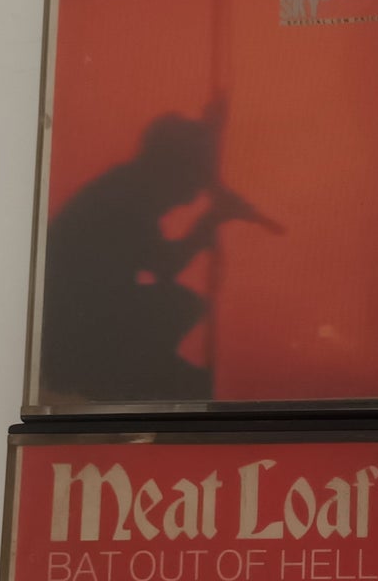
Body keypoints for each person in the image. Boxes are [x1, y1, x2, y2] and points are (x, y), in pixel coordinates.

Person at [39, 112, 277, 402]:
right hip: (75, 333)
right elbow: (165, 264)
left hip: (75, 324)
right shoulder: (126, 197)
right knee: (179, 306)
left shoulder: (126, 187)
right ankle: (119, 376)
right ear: (173, 167)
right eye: (196, 175)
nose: (199, 188)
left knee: (181, 307)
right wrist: (209, 223)